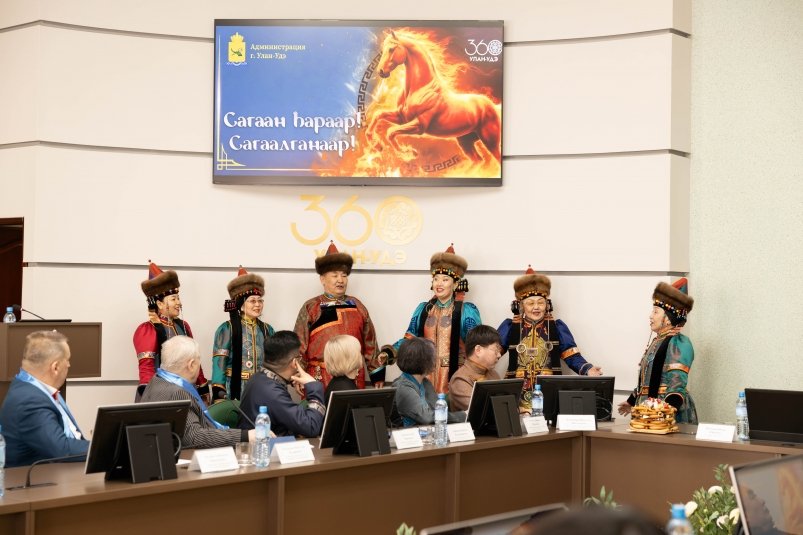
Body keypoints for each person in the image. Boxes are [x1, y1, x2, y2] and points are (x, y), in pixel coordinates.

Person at [498, 266, 603, 414]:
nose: (536, 307)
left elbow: (572, 356)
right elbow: (491, 353)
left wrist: (588, 369)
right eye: (530, 303)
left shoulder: (557, 328)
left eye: (540, 302)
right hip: (517, 391)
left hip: (548, 389)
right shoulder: (510, 327)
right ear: (520, 305)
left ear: (547, 305)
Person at [380, 244, 481, 394]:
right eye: (436, 279)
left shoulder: (466, 311)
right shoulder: (424, 309)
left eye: (445, 280)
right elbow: (410, 338)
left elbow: (476, 346)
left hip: (456, 376)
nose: (439, 284)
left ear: (455, 284)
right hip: (425, 374)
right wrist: (390, 352)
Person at [294, 241, 383, 389]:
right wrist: (299, 375)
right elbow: (298, 344)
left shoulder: (357, 305)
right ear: (322, 279)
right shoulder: (311, 307)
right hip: (319, 377)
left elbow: (370, 344)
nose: (340, 280)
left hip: (354, 377)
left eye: (344, 275)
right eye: (335, 275)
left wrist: (377, 375)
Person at [140, 335, 252, 448]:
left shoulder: (157, 380)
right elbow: (195, 437)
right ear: (191, 365)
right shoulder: (177, 392)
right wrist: (245, 436)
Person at [0, 330, 89, 467]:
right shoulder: (28, 401)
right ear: (55, 367)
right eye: (67, 360)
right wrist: (108, 448)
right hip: (40, 477)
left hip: (61, 470)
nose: (69, 365)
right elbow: (62, 449)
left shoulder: (36, 387)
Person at [618, 278, 698, 424]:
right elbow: (647, 380)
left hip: (667, 413)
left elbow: (676, 385)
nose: (650, 316)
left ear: (668, 318)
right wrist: (632, 401)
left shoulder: (679, 343)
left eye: (655, 312)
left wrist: (664, 412)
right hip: (650, 410)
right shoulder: (658, 341)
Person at [133, 261, 210, 401]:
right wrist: (151, 397)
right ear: (160, 304)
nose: (179, 303)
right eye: (173, 299)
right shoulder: (147, 330)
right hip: (163, 395)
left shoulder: (184, 326)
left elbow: (194, 360)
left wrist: (203, 388)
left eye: (178, 298)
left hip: (187, 392)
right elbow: (146, 369)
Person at [239, 331, 326, 438]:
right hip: (262, 447)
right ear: (295, 362)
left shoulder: (259, 378)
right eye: (299, 357)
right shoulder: (272, 392)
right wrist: (313, 386)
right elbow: (311, 427)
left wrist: (290, 380)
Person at [212, 267, 275, 401]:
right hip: (236, 388)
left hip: (262, 388)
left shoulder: (267, 329)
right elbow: (219, 363)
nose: (258, 304)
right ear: (241, 305)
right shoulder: (227, 328)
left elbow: (274, 362)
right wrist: (218, 392)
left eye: (260, 300)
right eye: (252, 301)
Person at [393, 337, 465, 427]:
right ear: (422, 361)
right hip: (406, 434)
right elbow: (426, 418)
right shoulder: (403, 388)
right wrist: (462, 416)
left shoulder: (425, 383)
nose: (436, 360)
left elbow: (437, 410)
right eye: (433, 357)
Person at [448, 325, 503, 411]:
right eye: (496, 350)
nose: (499, 355)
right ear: (478, 350)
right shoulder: (460, 379)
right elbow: (482, 410)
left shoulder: (494, 374)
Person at [323, 334, 363, 402]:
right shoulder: (346, 392)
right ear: (351, 358)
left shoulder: (336, 384)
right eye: (359, 352)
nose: (361, 355)